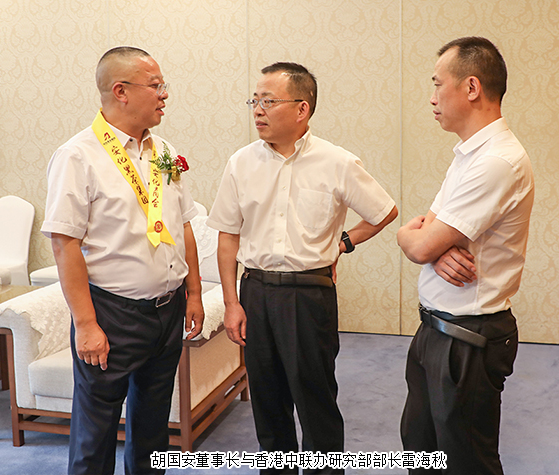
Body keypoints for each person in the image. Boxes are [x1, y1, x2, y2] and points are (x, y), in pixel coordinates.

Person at [207, 62, 398, 474]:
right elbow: (227, 236)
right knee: (267, 401)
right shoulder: (241, 163)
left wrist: (342, 244)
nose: (258, 110)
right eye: (254, 100)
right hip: (255, 292)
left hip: (309, 295)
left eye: (268, 101)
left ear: (301, 109)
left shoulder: (337, 161)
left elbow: (384, 212)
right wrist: (232, 303)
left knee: (315, 399)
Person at [41, 46, 204, 475]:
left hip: (167, 310)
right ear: (121, 91)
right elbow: (64, 244)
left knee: (153, 426)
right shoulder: (78, 156)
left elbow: (183, 225)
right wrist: (86, 324)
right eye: (156, 85)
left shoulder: (163, 150)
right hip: (113, 313)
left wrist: (193, 294)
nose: (164, 94)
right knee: (95, 433)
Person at [397, 37, 534, 474]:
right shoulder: (469, 154)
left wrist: (422, 245)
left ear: (471, 87)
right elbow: (424, 233)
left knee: (465, 460)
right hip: (437, 328)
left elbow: (422, 242)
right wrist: (423, 244)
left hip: (467, 337)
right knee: (421, 447)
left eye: (438, 84)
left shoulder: (497, 161)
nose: (432, 97)